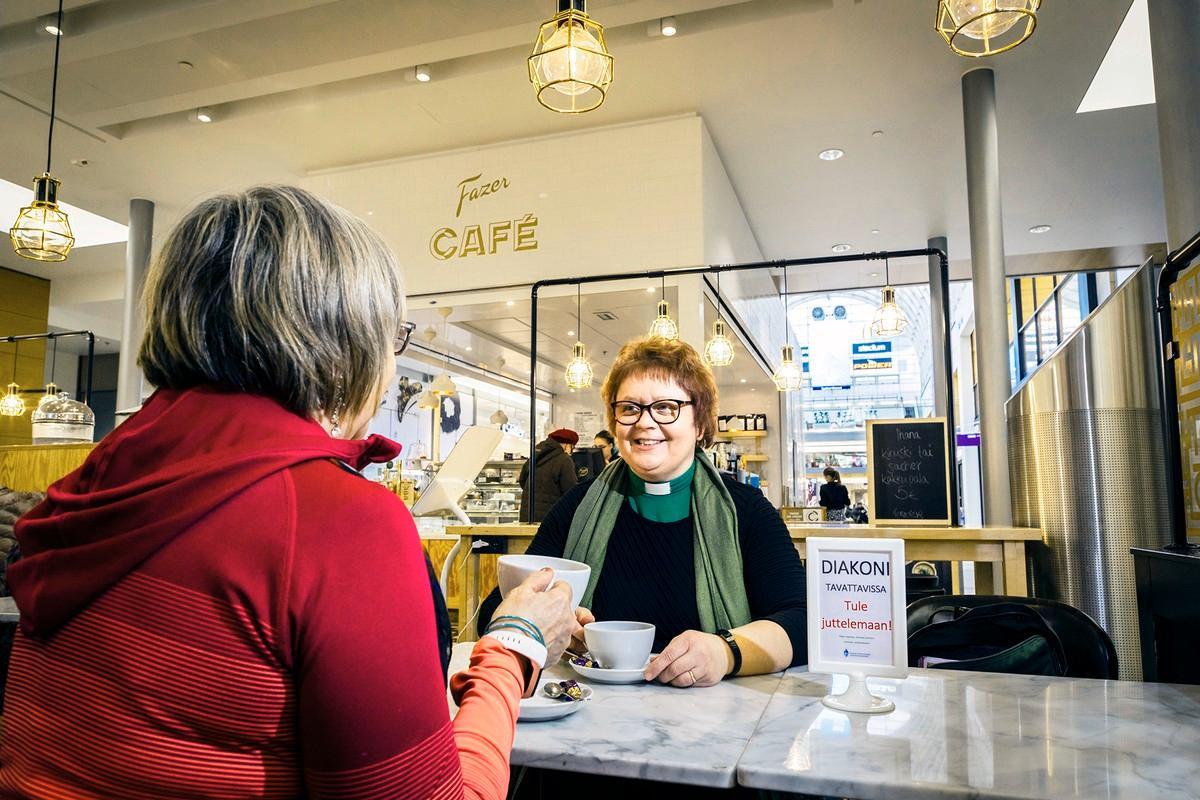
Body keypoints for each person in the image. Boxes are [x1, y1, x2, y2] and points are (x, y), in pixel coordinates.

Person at [0, 186, 578, 799]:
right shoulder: (336, 520)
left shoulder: (90, 484)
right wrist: (515, 643)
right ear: (343, 345)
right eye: (393, 337)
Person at [483, 336, 807, 688]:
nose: (644, 422)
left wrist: (725, 651)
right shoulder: (577, 507)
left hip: (714, 721)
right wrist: (549, 625)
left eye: (666, 407)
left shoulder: (746, 512)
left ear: (699, 423)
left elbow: (802, 622)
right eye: (629, 408)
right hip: (591, 716)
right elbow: (496, 613)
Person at [518, 428, 578, 523]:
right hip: (550, 517)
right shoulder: (564, 460)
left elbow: (522, 480)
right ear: (567, 445)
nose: (571, 452)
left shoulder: (535, 455)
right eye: (572, 448)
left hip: (527, 516)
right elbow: (570, 490)